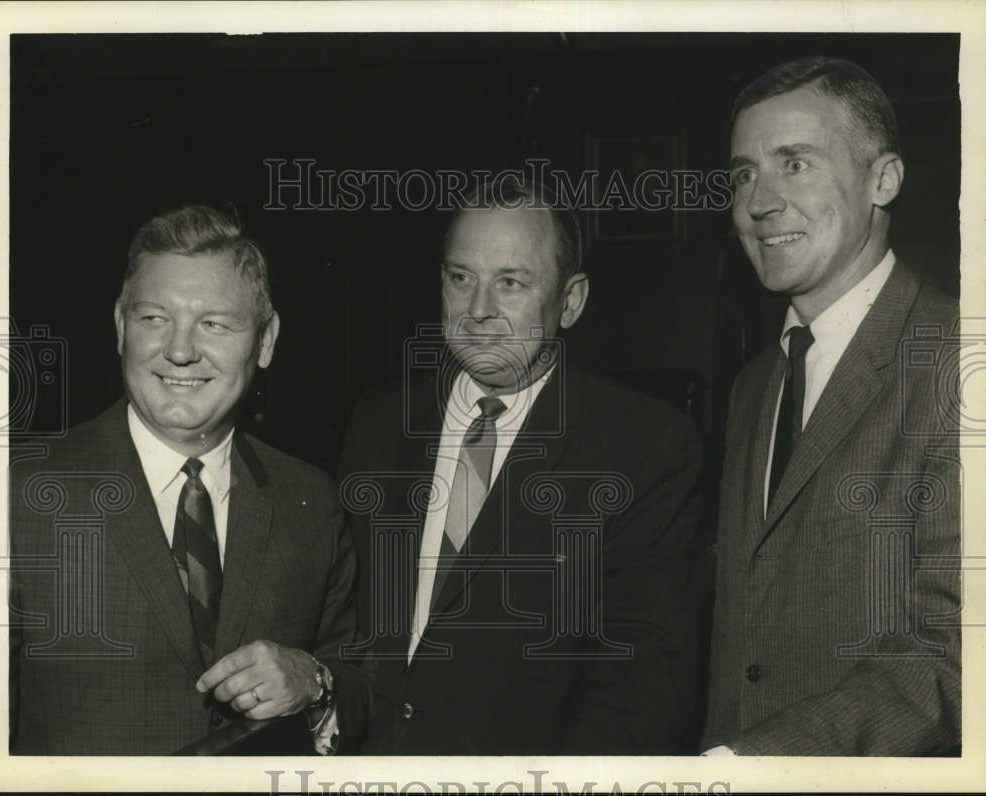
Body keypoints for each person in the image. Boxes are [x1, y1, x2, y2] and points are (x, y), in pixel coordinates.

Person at [339, 178, 703, 754]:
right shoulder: (380, 421)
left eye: (511, 282)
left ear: (571, 301)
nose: (479, 310)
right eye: (461, 278)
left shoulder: (641, 446)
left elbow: (643, 683)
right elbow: (347, 629)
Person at [9, 205, 370, 754]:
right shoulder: (16, 493)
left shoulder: (311, 501)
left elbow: (360, 683)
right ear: (120, 327)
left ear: (266, 341)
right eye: (154, 318)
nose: (180, 351)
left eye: (214, 324)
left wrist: (314, 683)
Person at [703, 57, 961, 755]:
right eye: (744, 174)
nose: (759, 202)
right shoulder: (753, 386)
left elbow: (954, 661)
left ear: (884, 180)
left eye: (796, 164)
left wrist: (750, 765)